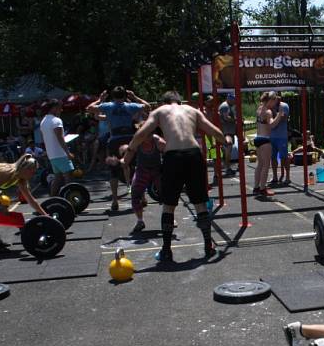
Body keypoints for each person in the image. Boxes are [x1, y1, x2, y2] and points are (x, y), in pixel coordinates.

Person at [123, 91, 225, 262]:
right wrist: (226, 141)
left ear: (164, 102)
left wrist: (128, 153)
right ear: (179, 101)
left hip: (173, 157)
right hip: (193, 155)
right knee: (200, 202)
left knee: (169, 205)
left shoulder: (160, 111)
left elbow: (141, 134)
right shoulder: (193, 111)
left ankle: (166, 250)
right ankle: (208, 245)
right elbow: (214, 131)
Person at [86, 87, 151, 211]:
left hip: (115, 139)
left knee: (114, 171)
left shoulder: (108, 106)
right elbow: (147, 107)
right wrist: (134, 97)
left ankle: (115, 200)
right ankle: (142, 197)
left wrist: (100, 99)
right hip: (129, 139)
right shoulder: (131, 106)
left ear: (113, 96)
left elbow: (89, 108)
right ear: (124, 95)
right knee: (136, 168)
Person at [126, 132, 165, 233]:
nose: (147, 137)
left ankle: (170, 218)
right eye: (145, 135)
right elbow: (128, 151)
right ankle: (140, 221)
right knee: (135, 193)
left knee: (166, 193)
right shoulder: (137, 140)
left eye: (149, 134)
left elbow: (168, 150)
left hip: (156, 170)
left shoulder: (156, 140)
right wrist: (123, 155)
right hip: (142, 170)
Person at [39, 99, 74, 196]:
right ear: (54, 108)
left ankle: (52, 198)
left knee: (58, 177)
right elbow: (60, 138)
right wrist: (68, 153)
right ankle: (70, 197)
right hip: (60, 153)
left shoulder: (43, 121)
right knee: (68, 175)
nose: (61, 110)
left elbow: (44, 139)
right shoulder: (56, 120)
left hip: (52, 154)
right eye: (60, 108)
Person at [254, 92, 284, 197]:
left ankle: (256, 187)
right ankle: (262, 189)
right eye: (274, 101)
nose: (275, 103)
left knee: (259, 165)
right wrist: (279, 114)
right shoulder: (268, 112)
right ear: (270, 100)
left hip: (257, 138)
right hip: (265, 140)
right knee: (266, 165)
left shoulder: (259, 108)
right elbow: (272, 125)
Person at [270, 96, 291, 186]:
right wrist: (276, 116)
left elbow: (284, 118)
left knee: (284, 157)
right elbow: (267, 119)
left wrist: (274, 115)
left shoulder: (284, 106)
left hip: (282, 136)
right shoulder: (269, 106)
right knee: (273, 157)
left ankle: (287, 177)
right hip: (271, 136)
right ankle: (275, 177)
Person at [218, 93, 237, 176]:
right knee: (228, 149)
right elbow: (226, 118)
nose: (234, 101)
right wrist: (236, 120)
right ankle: (227, 168)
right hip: (226, 132)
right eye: (233, 99)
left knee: (227, 150)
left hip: (228, 131)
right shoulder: (225, 106)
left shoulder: (227, 106)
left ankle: (226, 167)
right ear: (229, 98)